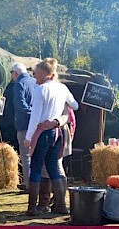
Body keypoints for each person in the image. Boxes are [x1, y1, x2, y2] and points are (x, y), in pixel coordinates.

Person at [24, 58, 78, 216]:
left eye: (36, 73)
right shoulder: (62, 88)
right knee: (53, 167)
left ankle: (32, 207)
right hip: (58, 132)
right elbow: (75, 105)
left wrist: (28, 138)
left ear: (44, 73)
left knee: (36, 168)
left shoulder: (41, 90)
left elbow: (35, 117)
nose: (34, 77)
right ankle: (61, 205)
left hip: (43, 132)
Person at [10, 62, 37, 191]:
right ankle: (36, 183)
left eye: (11, 73)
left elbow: (20, 105)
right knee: (36, 154)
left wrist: (31, 114)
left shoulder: (19, 84)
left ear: (15, 73)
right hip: (37, 124)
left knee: (26, 155)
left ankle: (28, 183)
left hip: (24, 123)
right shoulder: (34, 81)